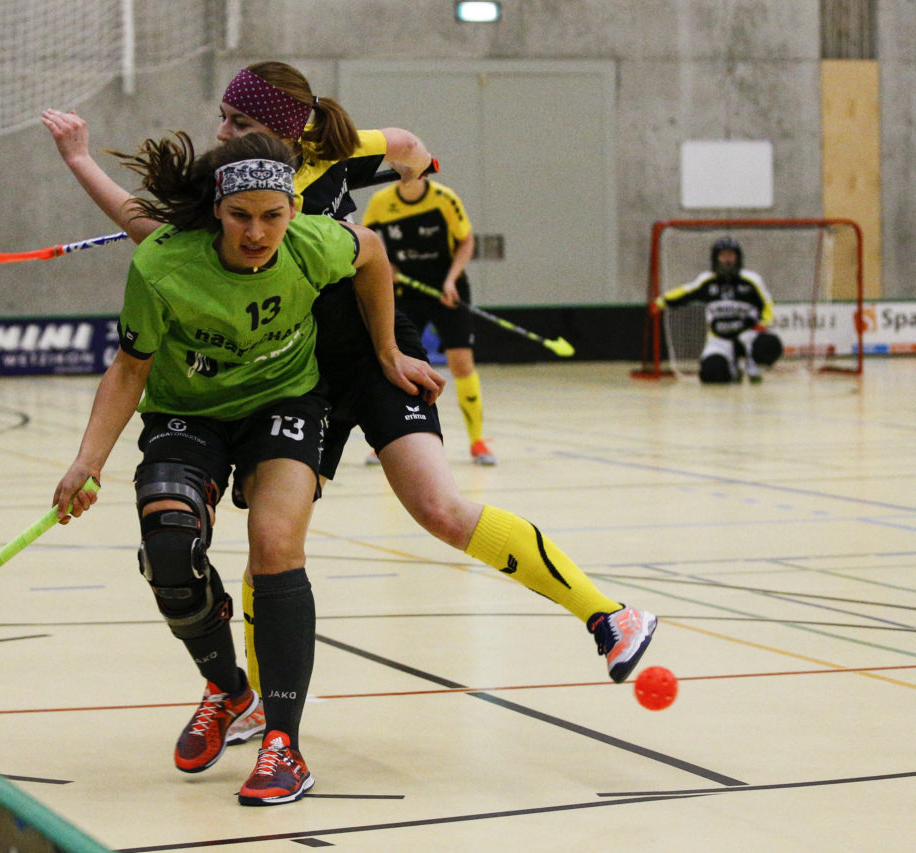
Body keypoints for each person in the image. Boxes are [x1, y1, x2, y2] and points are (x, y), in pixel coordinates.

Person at [42, 59, 658, 756]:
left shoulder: (332, 155)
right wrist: (81, 160)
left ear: (286, 126)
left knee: (441, 509)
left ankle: (608, 615)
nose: (223, 130)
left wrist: (417, 177)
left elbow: (402, 147)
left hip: (374, 361)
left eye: (239, 121)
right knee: (272, 547)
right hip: (302, 380)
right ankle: (253, 702)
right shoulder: (240, 181)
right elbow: (145, 227)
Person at [51, 130, 441, 807]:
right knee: (168, 545)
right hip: (187, 411)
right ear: (215, 211)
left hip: (285, 401)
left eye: (272, 215)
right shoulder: (164, 265)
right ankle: (229, 687)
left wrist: (387, 352)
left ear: (293, 208)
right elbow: (130, 369)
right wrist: (88, 461)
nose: (257, 232)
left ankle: (283, 745)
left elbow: (373, 254)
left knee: (275, 546)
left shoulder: (315, 243)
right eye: (240, 217)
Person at [362, 173, 495, 465]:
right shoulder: (381, 202)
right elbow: (363, 239)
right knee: (397, 361)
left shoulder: (444, 199)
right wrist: (385, 265)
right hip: (405, 291)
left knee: (461, 362)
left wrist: (451, 280)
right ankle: (386, 440)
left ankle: (477, 441)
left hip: (448, 289)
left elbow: (466, 241)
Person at [655, 236, 783, 383]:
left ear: (738, 258)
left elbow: (767, 303)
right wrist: (660, 302)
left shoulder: (752, 280)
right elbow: (685, 292)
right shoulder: (706, 280)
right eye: (723, 256)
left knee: (769, 344)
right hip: (720, 339)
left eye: (731, 256)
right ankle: (732, 371)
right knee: (711, 374)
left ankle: (753, 367)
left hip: (748, 336)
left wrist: (765, 322)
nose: (727, 260)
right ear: (716, 259)